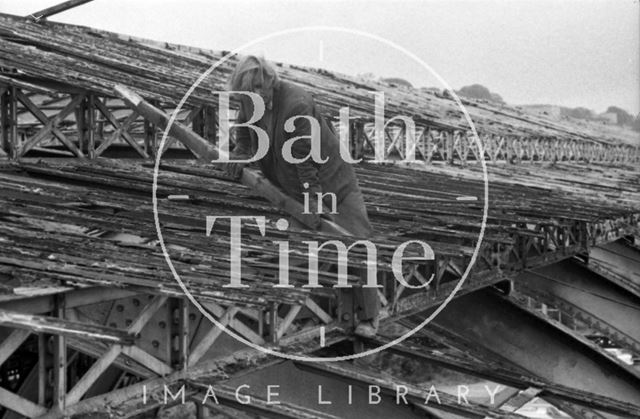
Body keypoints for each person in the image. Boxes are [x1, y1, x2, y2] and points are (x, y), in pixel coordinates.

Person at [224, 55, 380, 337]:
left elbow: (305, 160)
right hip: (288, 185)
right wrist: (238, 156)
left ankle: (368, 318)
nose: (256, 94)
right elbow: (245, 137)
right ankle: (316, 308)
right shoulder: (249, 101)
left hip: (334, 184)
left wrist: (314, 203)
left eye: (260, 87)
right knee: (309, 249)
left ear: (271, 79)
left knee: (357, 244)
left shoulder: (296, 104)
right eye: (249, 91)